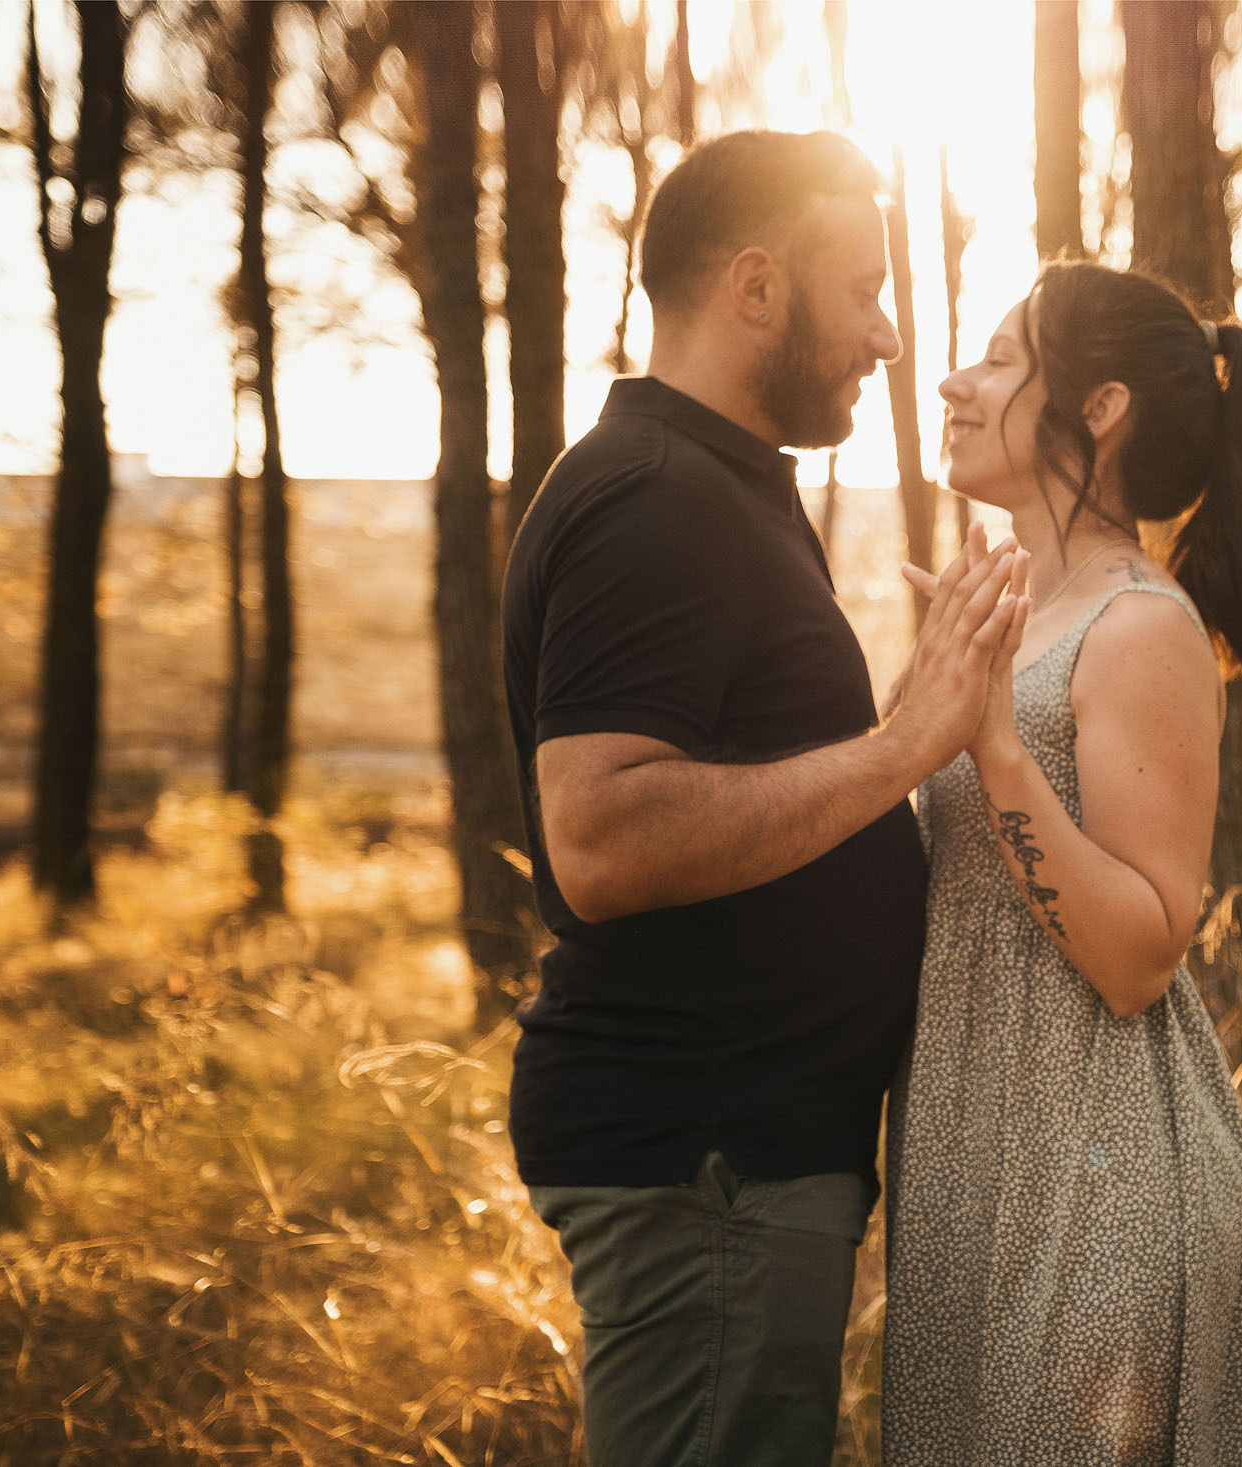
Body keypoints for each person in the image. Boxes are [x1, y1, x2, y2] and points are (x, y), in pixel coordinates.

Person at [498, 130, 1025, 1466]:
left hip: (737, 1157)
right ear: (754, 286)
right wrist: (903, 744)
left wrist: (920, 713)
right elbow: (603, 836)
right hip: (707, 1158)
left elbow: (740, 770)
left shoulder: (714, 484)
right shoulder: (656, 498)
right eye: (861, 288)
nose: (890, 336)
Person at [883, 262, 1242, 1465]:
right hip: (976, 1159)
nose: (955, 381)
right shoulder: (1016, 612)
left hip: (1098, 1182)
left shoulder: (1141, 627)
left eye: (1002, 359)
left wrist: (992, 744)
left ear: (1099, 408)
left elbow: (1138, 955)